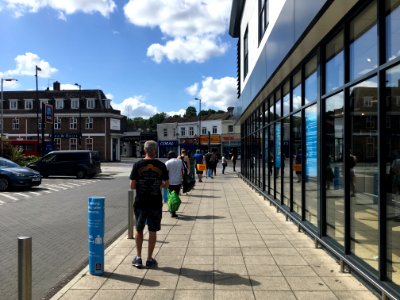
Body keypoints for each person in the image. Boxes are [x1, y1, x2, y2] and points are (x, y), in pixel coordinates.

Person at [129, 140, 169, 269]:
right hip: (155, 202)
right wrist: (158, 185)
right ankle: (150, 259)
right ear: (155, 151)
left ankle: (138, 258)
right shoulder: (161, 166)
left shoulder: (137, 165)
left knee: (139, 229)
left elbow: (132, 185)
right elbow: (166, 184)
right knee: (153, 230)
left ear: (145, 150)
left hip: (140, 202)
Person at [165, 151, 184, 218]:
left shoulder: (167, 162)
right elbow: (183, 171)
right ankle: (173, 210)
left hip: (170, 182)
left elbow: (165, 173)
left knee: (170, 196)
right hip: (178, 182)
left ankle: (172, 211)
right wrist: (182, 180)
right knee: (175, 196)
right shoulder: (180, 161)